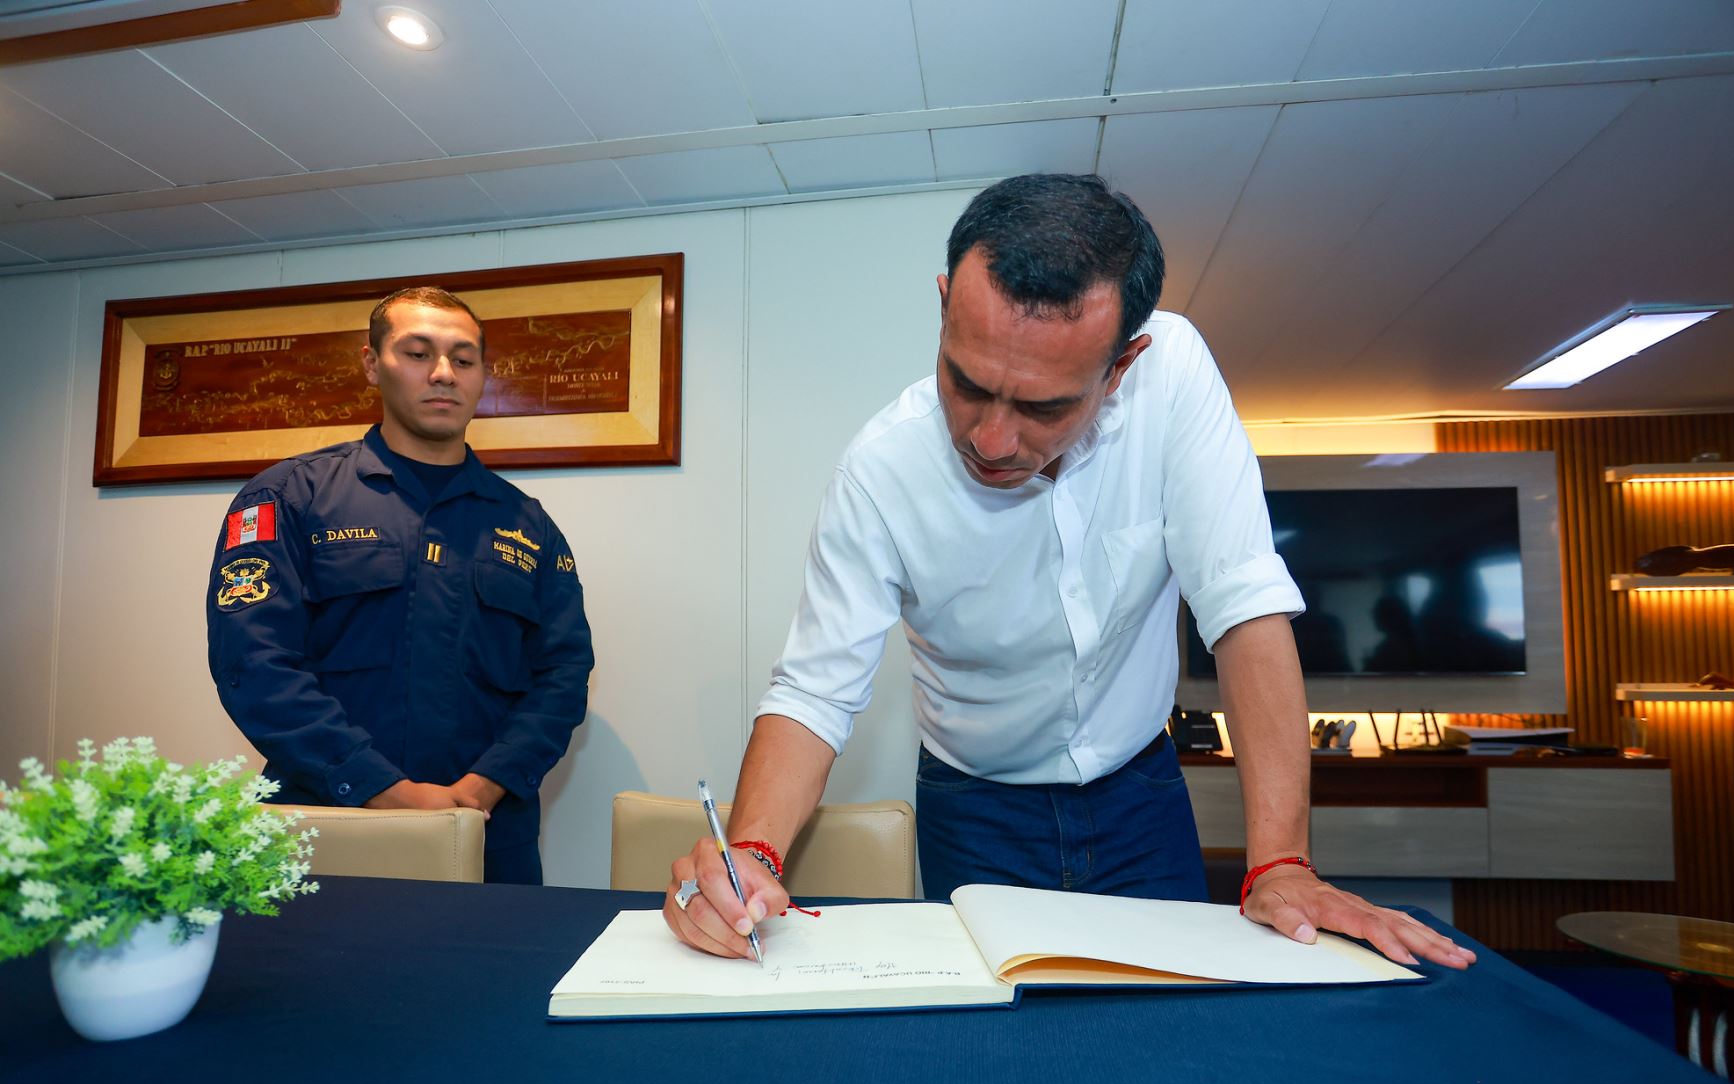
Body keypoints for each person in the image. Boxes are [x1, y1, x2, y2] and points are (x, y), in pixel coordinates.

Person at [665, 174, 1474, 970]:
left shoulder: (1175, 376)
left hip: (1139, 790)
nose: (989, 439)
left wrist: (1281, 864)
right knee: (997, 1056)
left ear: (1121, 368)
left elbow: (1243, 607)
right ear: (945, 305)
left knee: (1167, 1035)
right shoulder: (880, 473)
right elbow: (814, 690)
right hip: (973, 805)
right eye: (968, 384)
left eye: (1043, 408)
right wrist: (755, 853)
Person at [206, 286, 594, 884]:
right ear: (371, 364)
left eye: (463, 360)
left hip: (489, 834)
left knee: (489, 978)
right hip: (326, 824)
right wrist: (382, 788)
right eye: (418, 353)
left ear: (482, 375)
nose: (443, 374)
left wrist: (483, 787)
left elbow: (562, 677)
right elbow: (254, 664)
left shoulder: (529, 526)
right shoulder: (289, 498)